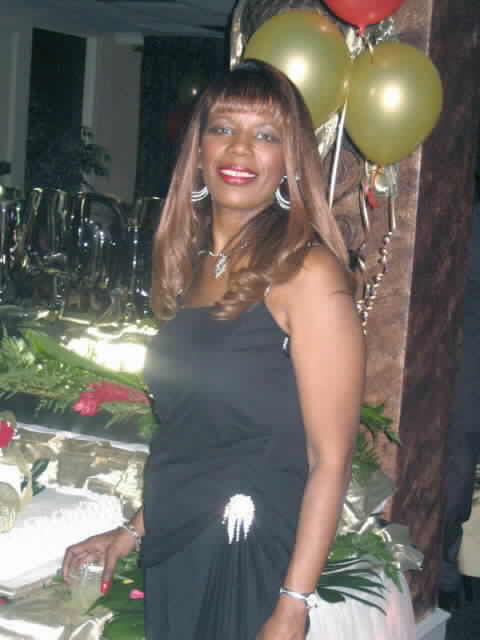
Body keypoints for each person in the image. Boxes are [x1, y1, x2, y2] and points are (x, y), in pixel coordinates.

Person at [63, 60, 410, 639]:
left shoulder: (307, 274)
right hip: (178, 543)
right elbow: (195, 439)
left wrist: (293, 604)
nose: (240, 149)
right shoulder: (192, 265)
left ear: (289, 161)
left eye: (266, 134)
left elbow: (329, 459)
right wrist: (132, 532)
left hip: (249, 549)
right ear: (198, 150)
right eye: (223, 128)